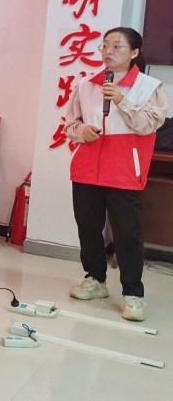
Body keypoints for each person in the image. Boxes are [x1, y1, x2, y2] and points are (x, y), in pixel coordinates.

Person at [63, 27, 169, 322]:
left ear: (134, 52)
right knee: (88, 228)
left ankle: (133, 294)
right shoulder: (86, 85)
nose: (108, 52)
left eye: (117, 46)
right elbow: (70, 124)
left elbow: (148, 125)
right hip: (87, 168)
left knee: (127, 234)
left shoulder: (149, 87)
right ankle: (95, 279)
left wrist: (121, 99)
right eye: (105, 45)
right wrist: (81, 130)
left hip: (124, 169)